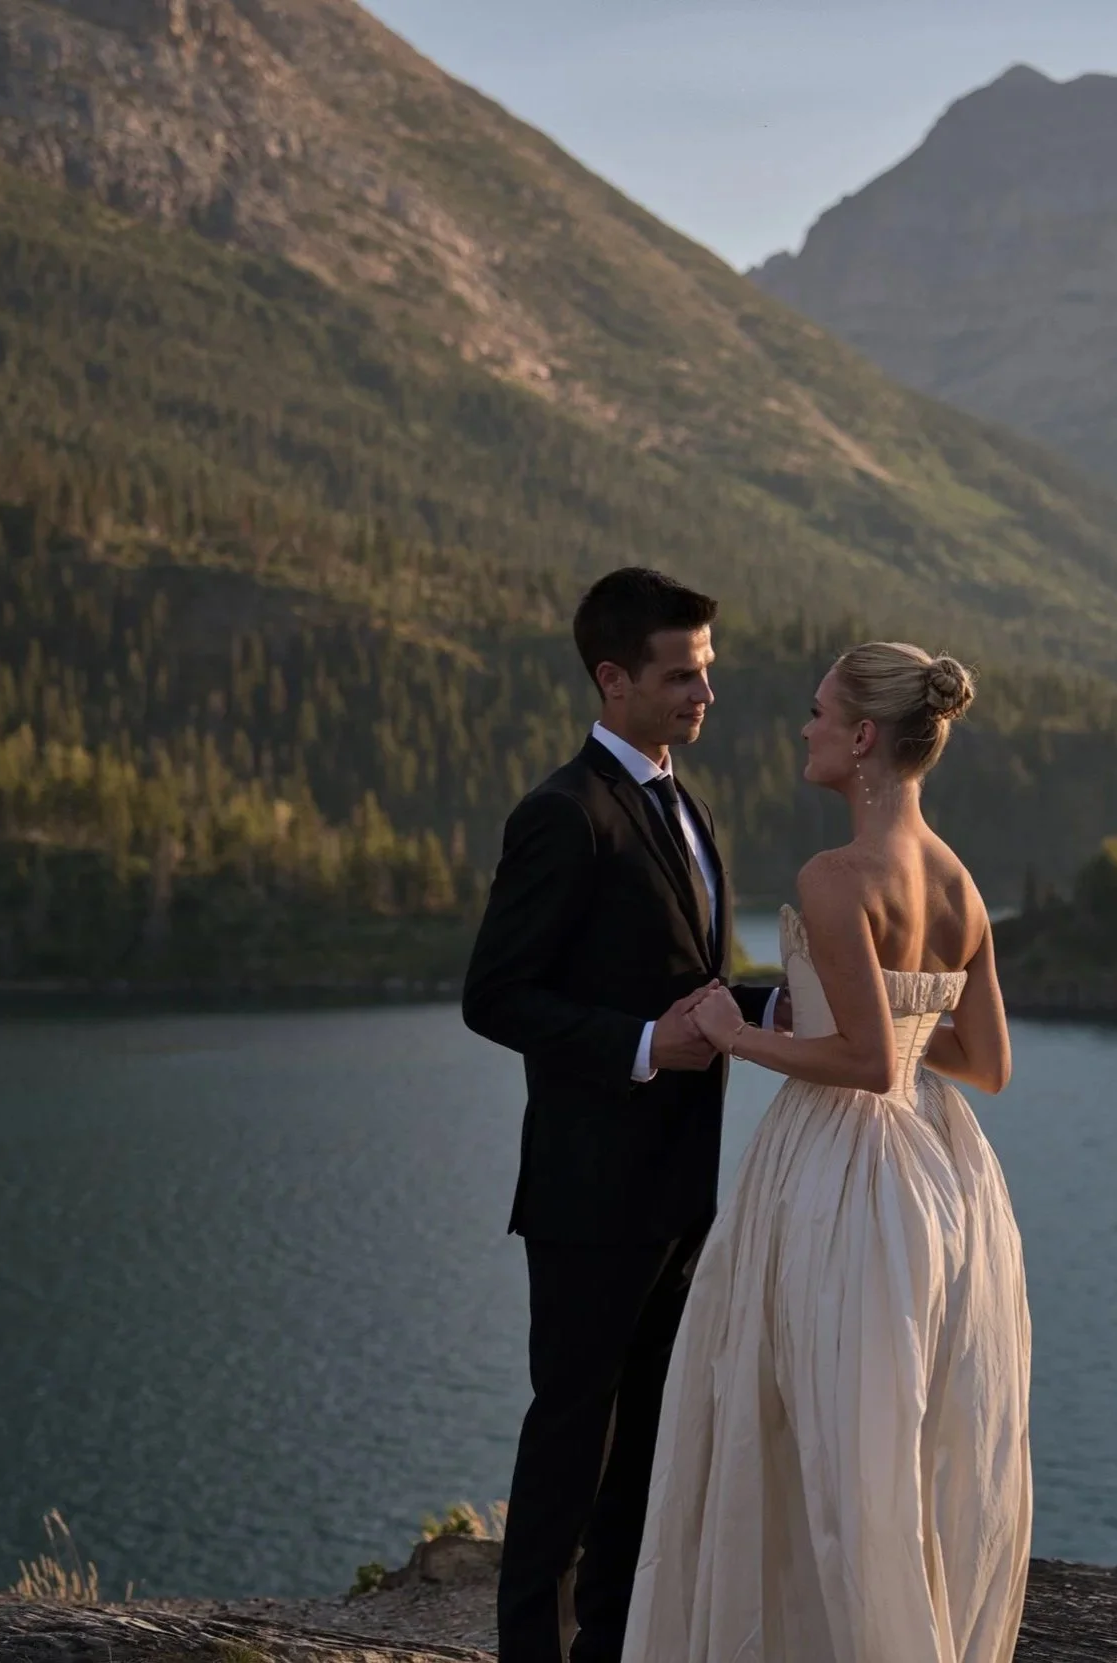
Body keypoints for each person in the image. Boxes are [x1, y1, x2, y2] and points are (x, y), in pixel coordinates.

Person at [624, 640, 1032, 1663]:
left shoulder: (833, 875)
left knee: (809, 1441)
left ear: (859, 739)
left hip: (840, 1176)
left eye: (816, 714)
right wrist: (896, 1016)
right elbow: (984, 1062)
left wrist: (732, 1032)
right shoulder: (958, 883)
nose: (801, 728)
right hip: (946, 1183)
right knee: (901, 1448)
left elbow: (859, 1061)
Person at [462, 567, 784, 1663]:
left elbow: (693, 979)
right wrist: (646, 1048)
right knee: (570, 1446)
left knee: (642, 1444)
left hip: (677, 1188)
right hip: (590, 1192)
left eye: (706, 669)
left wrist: (793, 1006)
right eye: (680, 673)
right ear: (612, 677)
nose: (704, 692)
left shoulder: (681, 802)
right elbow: (494, 995)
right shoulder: (561, 814)